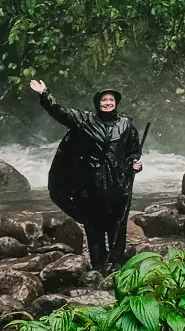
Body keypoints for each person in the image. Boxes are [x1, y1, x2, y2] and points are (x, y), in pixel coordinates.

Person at [29, 79, 143, 271]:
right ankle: (98, 264)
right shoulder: (86, 120)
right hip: (91, 184)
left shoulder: (126, 125)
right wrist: (44, 94)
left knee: (118, 223)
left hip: (118, 183)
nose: (107, 103)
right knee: (94, 224)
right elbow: (61, 112)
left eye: (111, 100)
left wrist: (135, 164)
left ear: (116, 103)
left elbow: (132, 151)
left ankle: (116, 263)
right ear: (98, 103)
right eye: (104, 100)